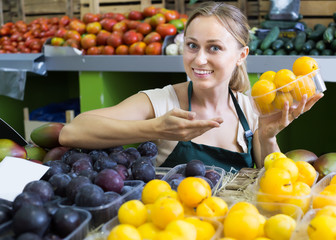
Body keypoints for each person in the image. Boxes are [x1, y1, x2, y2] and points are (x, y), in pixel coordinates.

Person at [59, 2, 323, 172]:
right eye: (192, 45)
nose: (199, 59)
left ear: (241, 55)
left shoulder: (251, 108)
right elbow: (71, 132)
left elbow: (275, 185)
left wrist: (267, 136)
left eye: (214, 48)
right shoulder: (162, 102)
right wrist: (154, 128)